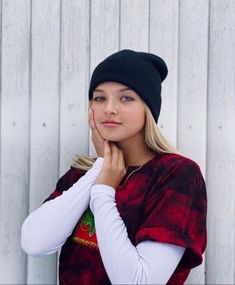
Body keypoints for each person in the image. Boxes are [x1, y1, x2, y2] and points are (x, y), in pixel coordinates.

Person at [21, 49, 207, 285]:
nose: (109, 108)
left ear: (148, 109)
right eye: (99, 98)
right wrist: (100, 168)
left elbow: (139, 281)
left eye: (126, 98)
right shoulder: (82, 173)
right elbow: (34, 242)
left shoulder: (176, 175)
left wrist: (103, 192)